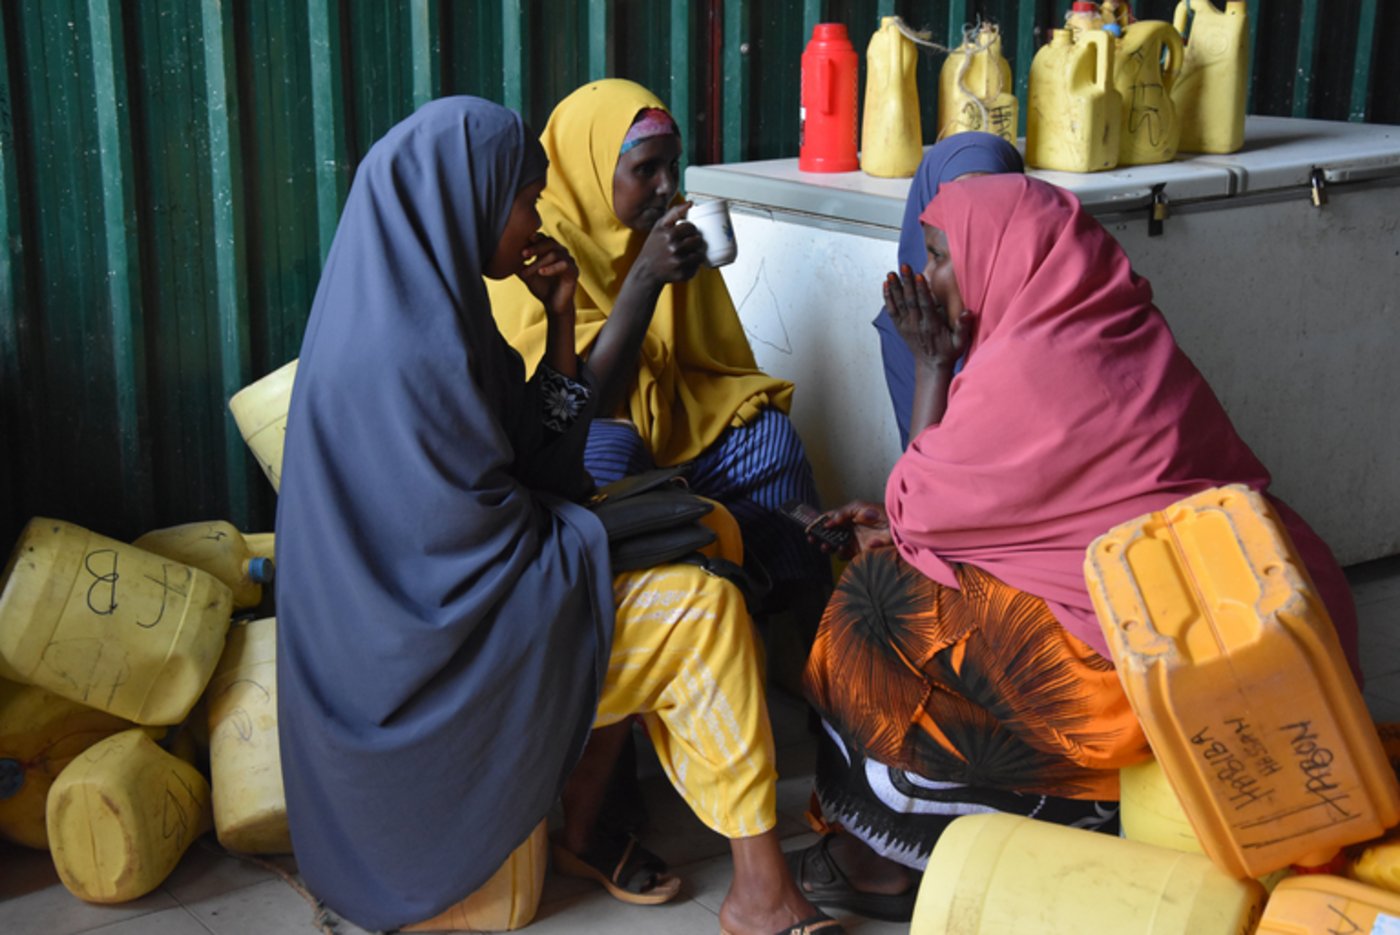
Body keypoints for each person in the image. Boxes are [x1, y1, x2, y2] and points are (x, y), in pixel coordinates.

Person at [274, 97, 841, 935]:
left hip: (447, 627)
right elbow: (479, 541)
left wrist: (561, 323)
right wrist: (604, 536)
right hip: (424, 672)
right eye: (523, 198)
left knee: (690, 540)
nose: (537, 217)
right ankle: (760, 892)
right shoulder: (405, 357)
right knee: (701, 604)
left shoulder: (426, 309)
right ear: (460, 200)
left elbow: (536, 465)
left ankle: (596, 815)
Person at [785, 174, 1362, 922]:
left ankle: (897, 851)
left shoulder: (1025, 371)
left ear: (1002, 259)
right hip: (1254, 641)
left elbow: (917, 515)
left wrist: (932, 366)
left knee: (872, 601)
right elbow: (1025, 523)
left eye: (940, 258)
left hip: (1140, 696)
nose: (927, 282)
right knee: (924, 576)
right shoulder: (1118, 331)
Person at [486, 78, 830, 636]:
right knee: (611, 458)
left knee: (770, 442)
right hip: (586, 432)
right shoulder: (532, 243)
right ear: (591, 167)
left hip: (674, 419)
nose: (665, 186)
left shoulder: (667, 225)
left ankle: (818, 658)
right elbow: (579, 409)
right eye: (645, 169)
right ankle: (645, 647)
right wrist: (645, 278)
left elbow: (709, 369)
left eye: (672, 167)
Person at [870, 132, 1023, 450]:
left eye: (988, 203)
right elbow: (924, 484)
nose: (969, 218)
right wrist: (931, 365)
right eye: (955, 198)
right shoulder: (911, 326)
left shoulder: (1045, 312)